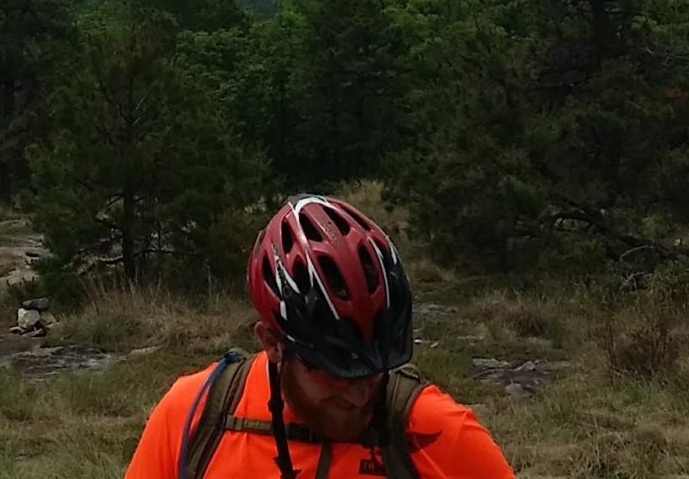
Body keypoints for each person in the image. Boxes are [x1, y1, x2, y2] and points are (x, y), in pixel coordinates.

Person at [124, 195, 517, 479]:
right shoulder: (195, 416)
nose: (359, 397)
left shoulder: (435, 433)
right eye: (336, 373)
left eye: (372, 371)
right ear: (273, 344)